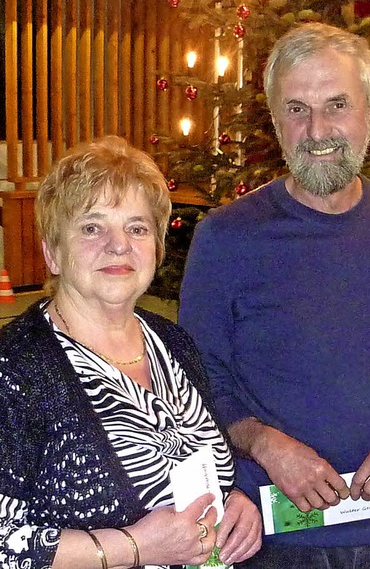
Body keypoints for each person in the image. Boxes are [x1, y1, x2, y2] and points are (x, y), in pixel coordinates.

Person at [179, 22, 370, 568]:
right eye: (296, 109)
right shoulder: (225, 237)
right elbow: (198, 382)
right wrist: (267, 446)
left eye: (337, 104)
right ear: (275, 119)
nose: (316, 130)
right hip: (276, 538)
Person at [0, 136, 262, 568]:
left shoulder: (172, 342)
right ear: (53, 253)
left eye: (137, 228)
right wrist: (135, 547)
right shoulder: (16, 368)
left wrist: (235, 503)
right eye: (92, 227)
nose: (119, 244)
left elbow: (197, 464)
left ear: (156, 249)